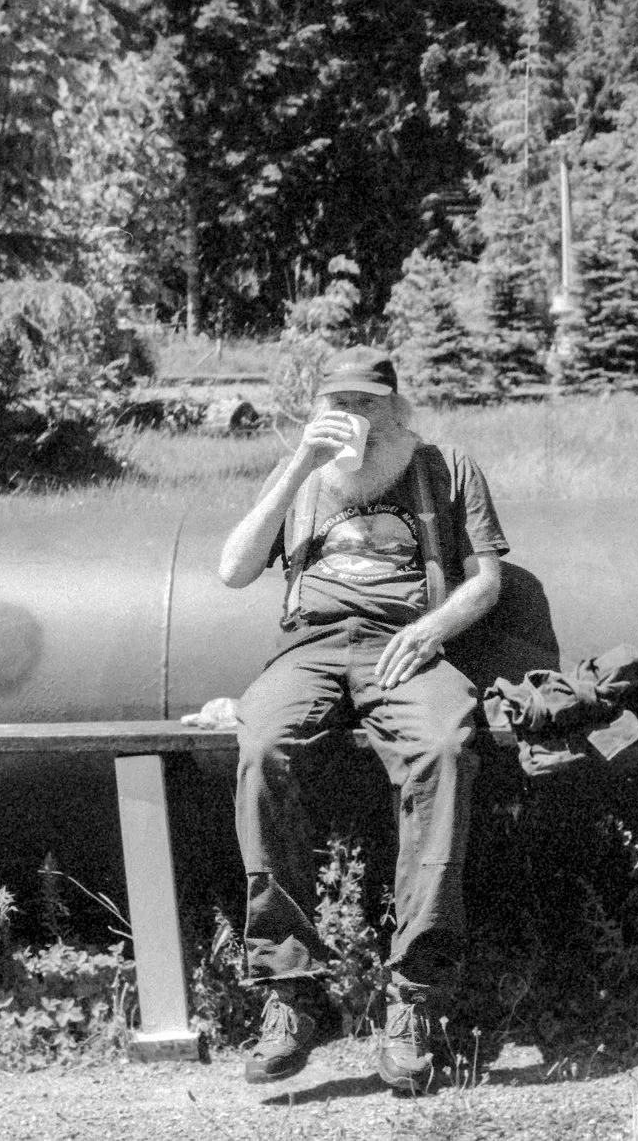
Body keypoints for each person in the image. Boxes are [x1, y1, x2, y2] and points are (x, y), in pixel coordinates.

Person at [216, 345, 510, 1092]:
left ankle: (414, 995)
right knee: (264, 749)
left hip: (403, 644)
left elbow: (487, 581)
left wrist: (434, 630)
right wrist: (295, 465)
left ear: (396, 406)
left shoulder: (444, 467)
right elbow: (233, 569)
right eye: (336, 403)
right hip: (309, 649)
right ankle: (291, 991)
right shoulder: (307, 474)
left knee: (444, 749)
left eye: (367, 404)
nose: (353, 418)